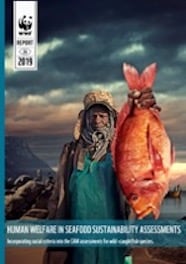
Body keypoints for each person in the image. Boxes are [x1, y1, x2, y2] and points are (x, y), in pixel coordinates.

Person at [43, 89, 157, 264]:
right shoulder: (71, 151)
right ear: (85, 118)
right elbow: (59, 194)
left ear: (111, 118)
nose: (97, 121)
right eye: (93, 116)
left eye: (102, 116)